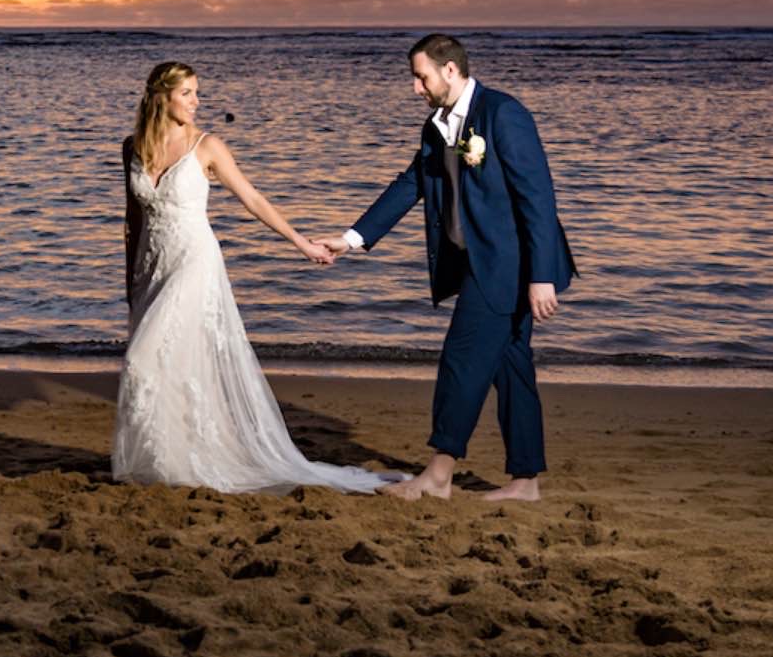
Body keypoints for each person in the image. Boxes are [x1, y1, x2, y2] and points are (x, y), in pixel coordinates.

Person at [112, 61, 407, 494]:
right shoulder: (131, 147)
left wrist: (301, 241)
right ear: (163, 97)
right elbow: (132, 220)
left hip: (194, 262)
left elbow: (252, 198)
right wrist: (130, 282)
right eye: (188, 93)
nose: (197, 101)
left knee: (143, 360)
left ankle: (189, 461)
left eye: (197, 92)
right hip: (153, 266)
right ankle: (168, 462)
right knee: (170, 363)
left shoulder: (207, 146)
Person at [322, 33, 575, 502]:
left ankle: (439, 475)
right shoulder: (436, 126)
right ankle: (525, 481)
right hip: (480, 262)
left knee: (461, 359)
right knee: (511, 367)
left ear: (450, 71)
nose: (416, 88)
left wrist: (540, 276)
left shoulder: (503, 114)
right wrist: (351, 239)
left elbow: (538, 197)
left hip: (510, 266)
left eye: (421, 77)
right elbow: (412, 183)